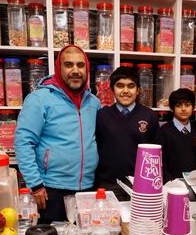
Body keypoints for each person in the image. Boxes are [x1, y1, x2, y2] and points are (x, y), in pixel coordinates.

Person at [14, 45, 99, 223]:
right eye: (68, 65)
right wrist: (35, 185)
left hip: (88, 189)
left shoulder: (94, 103)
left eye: (80, 65)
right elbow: (23, 143)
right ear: (58, 68)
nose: (75, 70)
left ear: (87, 69)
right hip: (50, 190)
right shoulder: (39, 99)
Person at [95, 66, 158, 197]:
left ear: (138, 90)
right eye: (120, 86)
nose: (125, 91)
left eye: (130, 86)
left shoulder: (149, 116)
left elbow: (157, 153)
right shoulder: (102, 115)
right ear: (112, 89)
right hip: (108, 184)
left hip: (141, 184)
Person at [157, 88, 196, 182]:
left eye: (187, 105)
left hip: (195, 183)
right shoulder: (164, 131)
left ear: (193, 107)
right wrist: (169, 182)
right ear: (172, 108)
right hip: (172, 183)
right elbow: (161, 161)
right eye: (179, 105)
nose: (183, 109)